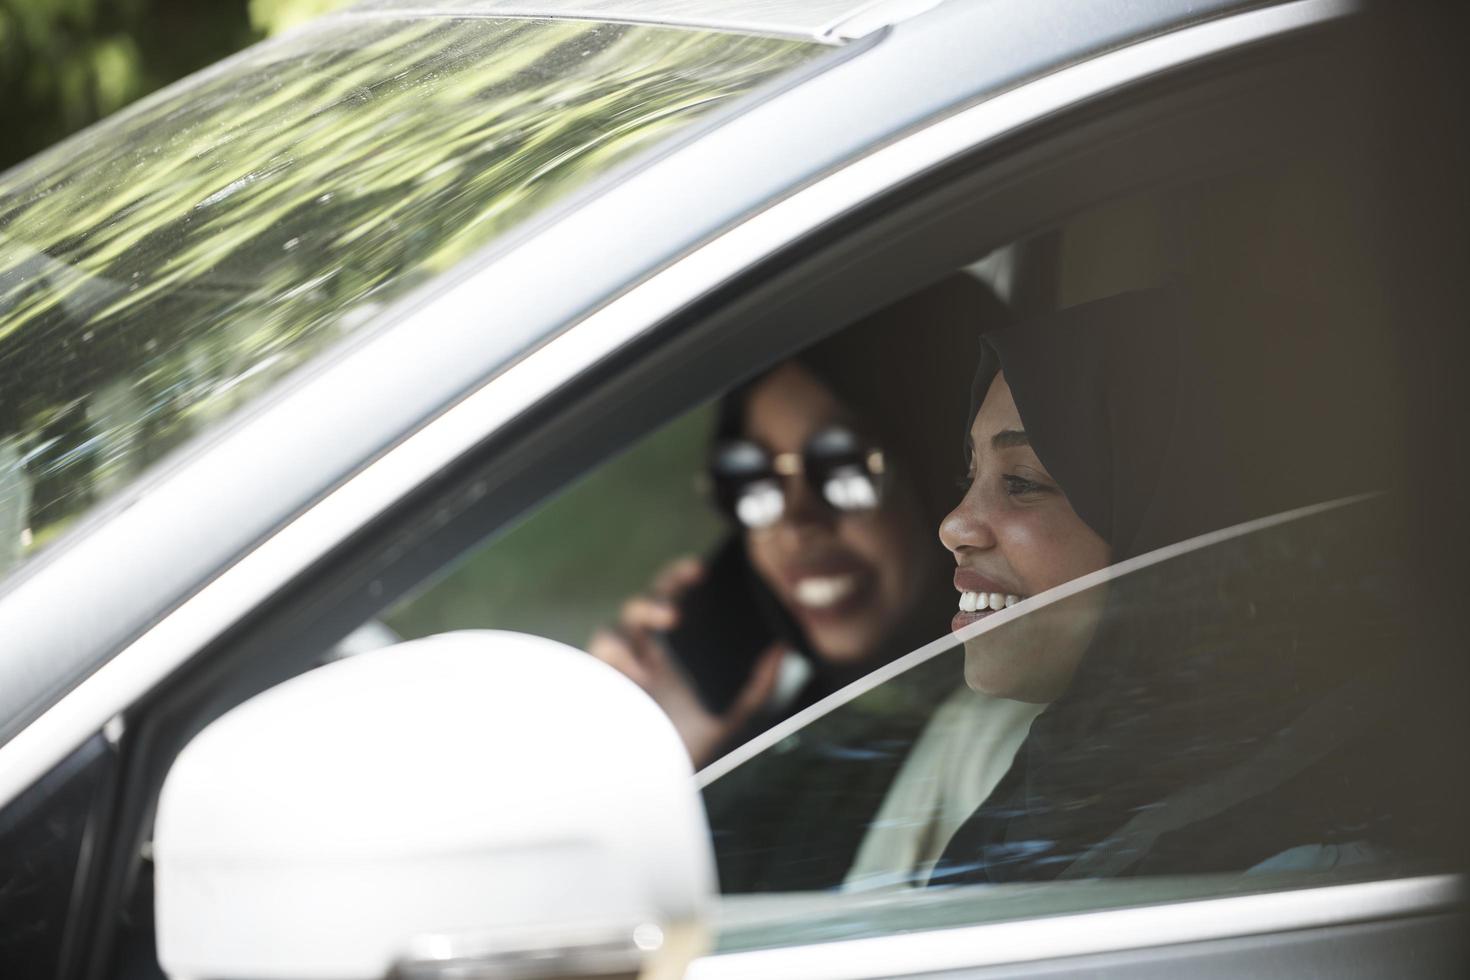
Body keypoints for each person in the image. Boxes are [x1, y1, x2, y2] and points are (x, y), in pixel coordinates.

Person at [925, 288, 1450, 884]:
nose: (954, 526)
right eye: (969, 475)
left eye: (1023, 482)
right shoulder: (1071, 786)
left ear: (1177, 516)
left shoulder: (1301, 871)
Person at [590, 274, 1016, 770]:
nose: (795, 522)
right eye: (748, 479)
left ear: (950, 473)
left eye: (842, 468)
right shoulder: (796, 736)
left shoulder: (1003, 750)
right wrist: (661, 756)